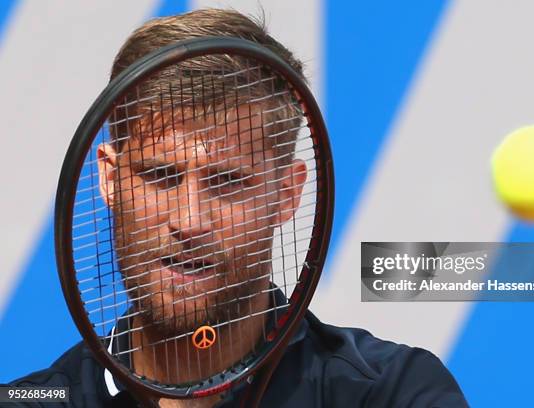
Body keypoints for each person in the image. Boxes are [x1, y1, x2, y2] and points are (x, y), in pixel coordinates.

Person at [6, 9, 468, 408]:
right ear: (110, 179)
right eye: (160, 177)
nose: (189, 221)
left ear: (287, 193)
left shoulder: (394, 394)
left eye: (228, 182)